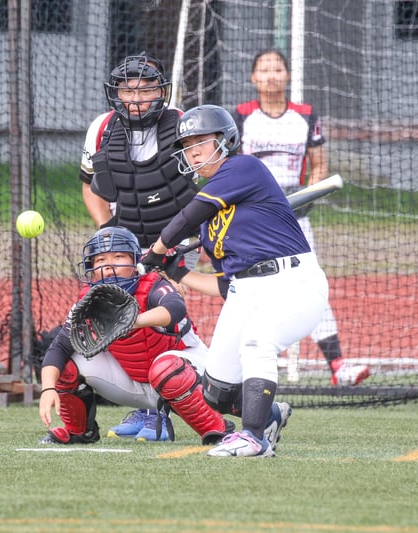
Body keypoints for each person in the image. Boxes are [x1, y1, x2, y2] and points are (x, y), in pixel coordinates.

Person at [141, 105, 327, 458]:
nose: (193, 150)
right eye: (187, 145)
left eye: (200, 141)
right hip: (247, 289)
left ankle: (253, 438)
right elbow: (227, 285)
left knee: (258, 343)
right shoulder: (212, 223)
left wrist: (158, 249)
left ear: (225, 140)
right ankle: (270, 416)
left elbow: (187, 215)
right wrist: (177, 271)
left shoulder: (243, 167)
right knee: (217, 390)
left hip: (292, 281)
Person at [38, 226, 257, 446]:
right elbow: (58, 349)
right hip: (132, 382)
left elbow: (174, 309)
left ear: (134, 263)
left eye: (118, 256)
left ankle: (218, 430)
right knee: (65, 366)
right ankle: (78, 431)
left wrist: (132, 322)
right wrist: (48, 388)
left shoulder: (152, 284)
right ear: (91, 268)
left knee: (166, 369)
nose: (109, 265)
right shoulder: (89, 300)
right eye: (100, 259)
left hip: (187, 373)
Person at [77, 53, 202, 437]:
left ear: (160, 92)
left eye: (145, 90)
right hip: (127, 244)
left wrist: (194, 244)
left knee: (168, 316)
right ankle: (152, 407)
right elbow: (90, 187)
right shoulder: (101, 128)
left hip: (179, 240)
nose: (135, 98)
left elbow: (209, 185)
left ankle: (191, 395)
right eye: (127, 90)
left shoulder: (183, 124)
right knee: (127, 323)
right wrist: (110, 232)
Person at [233, 49, 369, 387]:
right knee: (250, 286)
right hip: (252, 216)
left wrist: (305, 198)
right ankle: (246, 364)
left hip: (294, 216)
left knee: (310, 283)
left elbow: (319, 164)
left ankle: (338, 366)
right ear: (253, 78)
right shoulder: (241, 115)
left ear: (288, 75)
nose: (271, 75)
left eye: (277, 68)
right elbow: (231, 167)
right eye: (263, 69)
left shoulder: (306, 116)